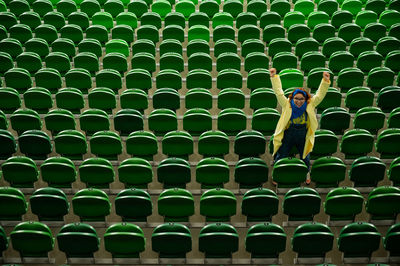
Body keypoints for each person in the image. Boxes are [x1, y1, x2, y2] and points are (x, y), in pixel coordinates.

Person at [269, 68, 331, 184]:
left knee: (305, 156)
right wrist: (274, 77)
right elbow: (279, 92)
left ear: (305, 99)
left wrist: (325, 81)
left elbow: (320, 95)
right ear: (292, 98)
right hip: (289, 133)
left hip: (303, 134)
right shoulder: (286, 104)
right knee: (282, 154)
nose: (298, 101)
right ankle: (276, 174)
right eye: (296, 99)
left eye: (301, 99)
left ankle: (306, 173)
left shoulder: (310, 104)